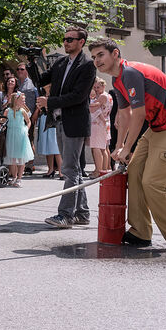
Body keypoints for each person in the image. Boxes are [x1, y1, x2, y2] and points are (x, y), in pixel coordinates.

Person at [89, 38, 166, 254]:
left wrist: (127, 148)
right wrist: (119, 146)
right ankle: (140, 232)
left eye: (100, 55)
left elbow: (138, 115)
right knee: (135, 171)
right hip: (158, 128)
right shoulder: (118, 79)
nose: (96, 61)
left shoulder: (130, 73)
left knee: (153, 183)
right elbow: (124, 114)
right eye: (93, 57)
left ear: (115, 54)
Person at [36, 27, 96, 228]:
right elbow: (41, 79)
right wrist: (33, 61)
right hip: (59, 120)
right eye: (65, 39)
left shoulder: (87, 65)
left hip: (75, 122)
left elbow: (78, 96)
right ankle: (82, 213)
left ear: (81, 42)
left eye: (70, 39)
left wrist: (50, 102)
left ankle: (66, 215)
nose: (66, 42)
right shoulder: (61, 62)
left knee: (69, 169)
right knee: (73, 169)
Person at [4, 93, 34, 187]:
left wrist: (26, 129)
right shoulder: (7, 111)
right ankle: (14, 177)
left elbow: (29, 121)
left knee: (21, 157)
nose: (24, 102)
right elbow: (4, 121)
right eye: (22, 100)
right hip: (11, 134)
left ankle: (19, 178)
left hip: (21, 134)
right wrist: (0, 120)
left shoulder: (22, 111)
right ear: (16, 100)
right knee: (12, 157)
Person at [16, 63, 39, 174]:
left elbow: (38, 100)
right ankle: (22, 165)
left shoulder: (32, 84)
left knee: (29, 140)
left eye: (22, 69)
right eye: (18, 69)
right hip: (17, 117)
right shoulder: (16, 83)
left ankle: (30, 165)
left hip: (29, 117)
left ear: (27, 71)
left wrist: (35, 114)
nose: (19, 71)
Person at [36, 87, 62, 179]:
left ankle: (61, 171)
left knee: (56, 147)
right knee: (48, 147)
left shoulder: (55, 95)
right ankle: (50, 169)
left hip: (53, 120)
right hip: (44, 119)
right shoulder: (41, 95)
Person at [88, 78, 112, 177]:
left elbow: (93, 108)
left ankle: (99, 171)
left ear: (103, 86)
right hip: (104, 123)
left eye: (98, 87)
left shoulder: (102, 96)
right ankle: (103, 170)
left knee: (96, 147)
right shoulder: (108, 95)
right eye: (94, 87)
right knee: (103, 148)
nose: (96, 89)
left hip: (98, 124)